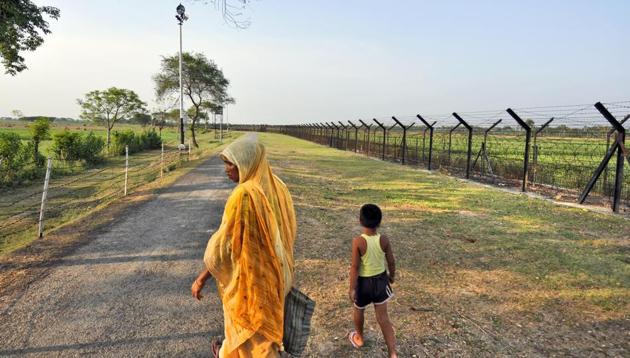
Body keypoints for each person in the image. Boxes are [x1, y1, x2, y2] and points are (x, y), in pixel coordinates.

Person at [191, 137, 297, 358]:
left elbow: (224, 248)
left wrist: (202, 278)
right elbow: (289, 231)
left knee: (251, 339)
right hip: (276, 278)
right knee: (266, 338)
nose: (226, 169)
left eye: (231, 163)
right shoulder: (278, 186)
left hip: (250, 287)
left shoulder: (244, 194)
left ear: (247, 162)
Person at [348, 203, 397, 358]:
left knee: (358, 310)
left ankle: (360, 338)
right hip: (381, 282)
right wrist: (392, 276)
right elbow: (391, 261)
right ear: (379, 222)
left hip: (363, 284)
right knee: (384, 319)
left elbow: (355, 267)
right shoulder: (384, 240)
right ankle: (393, 353)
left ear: (360, 220)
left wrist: (352, 288)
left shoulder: (358, 241)